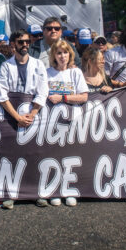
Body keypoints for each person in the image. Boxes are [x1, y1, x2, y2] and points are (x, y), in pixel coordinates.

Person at [0, 30, 48, 210]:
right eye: (20, 42)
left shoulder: (38, 64)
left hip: (33, 115)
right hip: (12, 117)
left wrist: (31, 114)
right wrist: (17, 117)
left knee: (34, 155)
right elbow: (1, 94)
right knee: (11, 156)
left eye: (27, 41)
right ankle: (11, 194)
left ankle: (36, 193)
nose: (25, 45)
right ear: (13, 44)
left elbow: (43, 91)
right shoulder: (6, 66)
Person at [45, 40, 87, 207]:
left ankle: (69, 190)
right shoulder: (47, 73)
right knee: (53, 156)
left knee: (70, 157)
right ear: (54, 56)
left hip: (72, 120)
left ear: (70, 55)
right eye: (59, 53)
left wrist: (63, 98)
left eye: (65, 53)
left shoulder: (76, 73)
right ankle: (54, 190)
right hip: (51, 122)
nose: (62, 56)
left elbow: (84, 96)